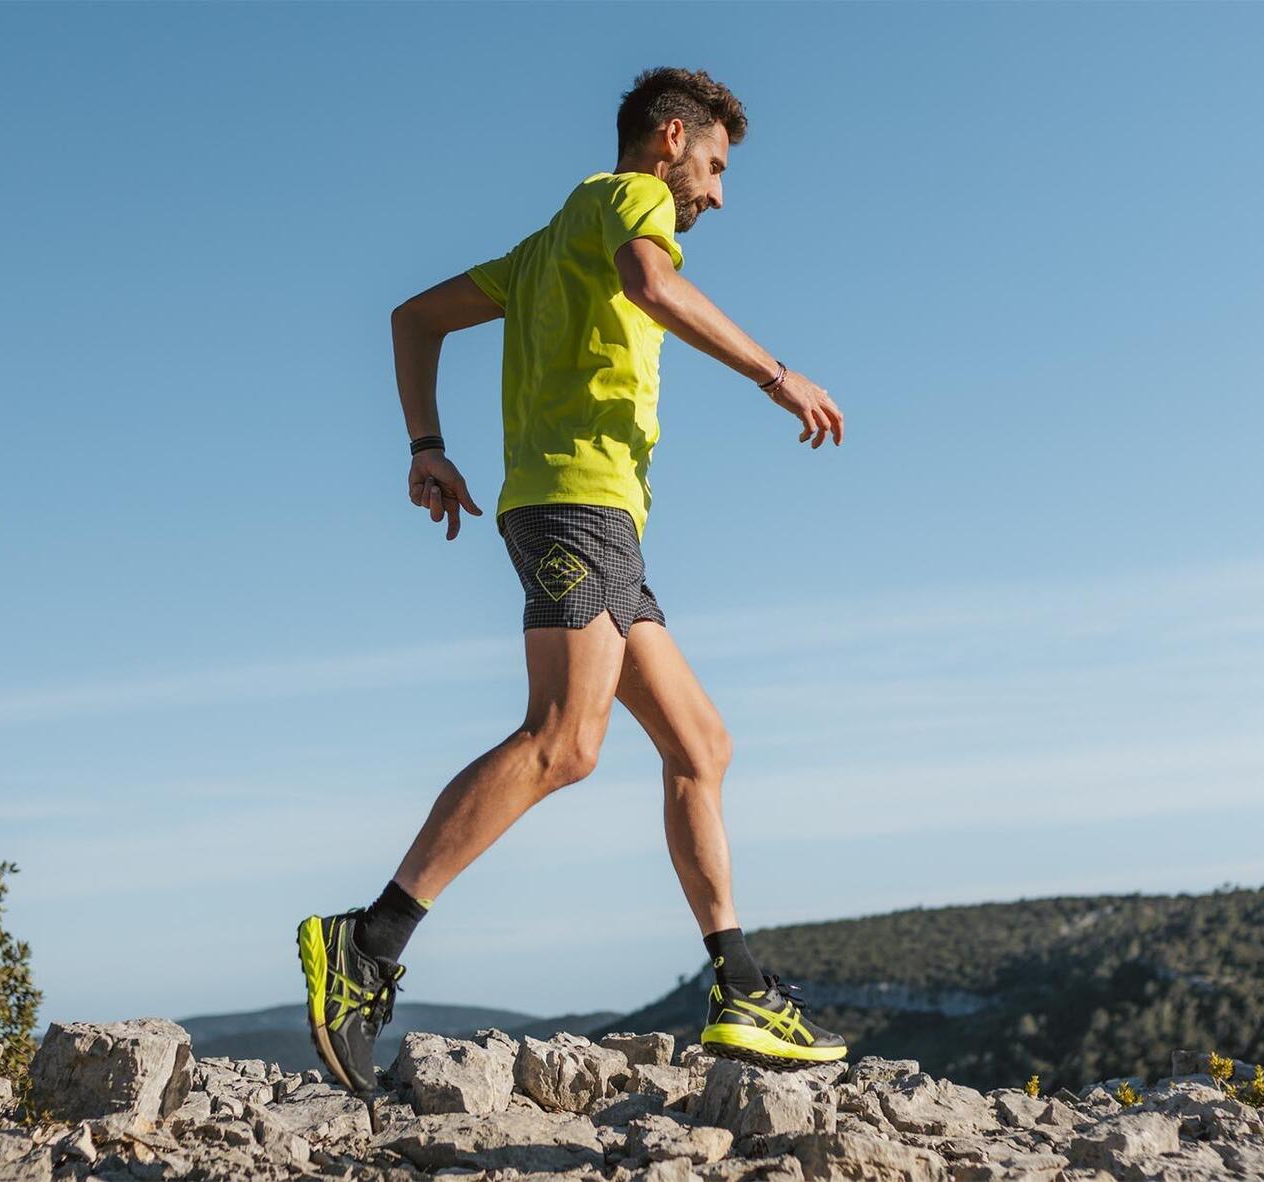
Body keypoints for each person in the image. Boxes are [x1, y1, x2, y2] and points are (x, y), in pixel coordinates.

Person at [295, 66, 849, 1093]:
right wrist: (779, 376)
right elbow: (652, 284)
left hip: (598, 519)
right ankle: (366, 943)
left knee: (700, 744)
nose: (717, 193)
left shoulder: (548, 246)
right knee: (565, 741)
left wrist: (425, 444)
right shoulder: (630, 196)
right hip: (577, 506)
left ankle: (740, 990)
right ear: (671, 138)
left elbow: (412, 318)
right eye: (715, 166)